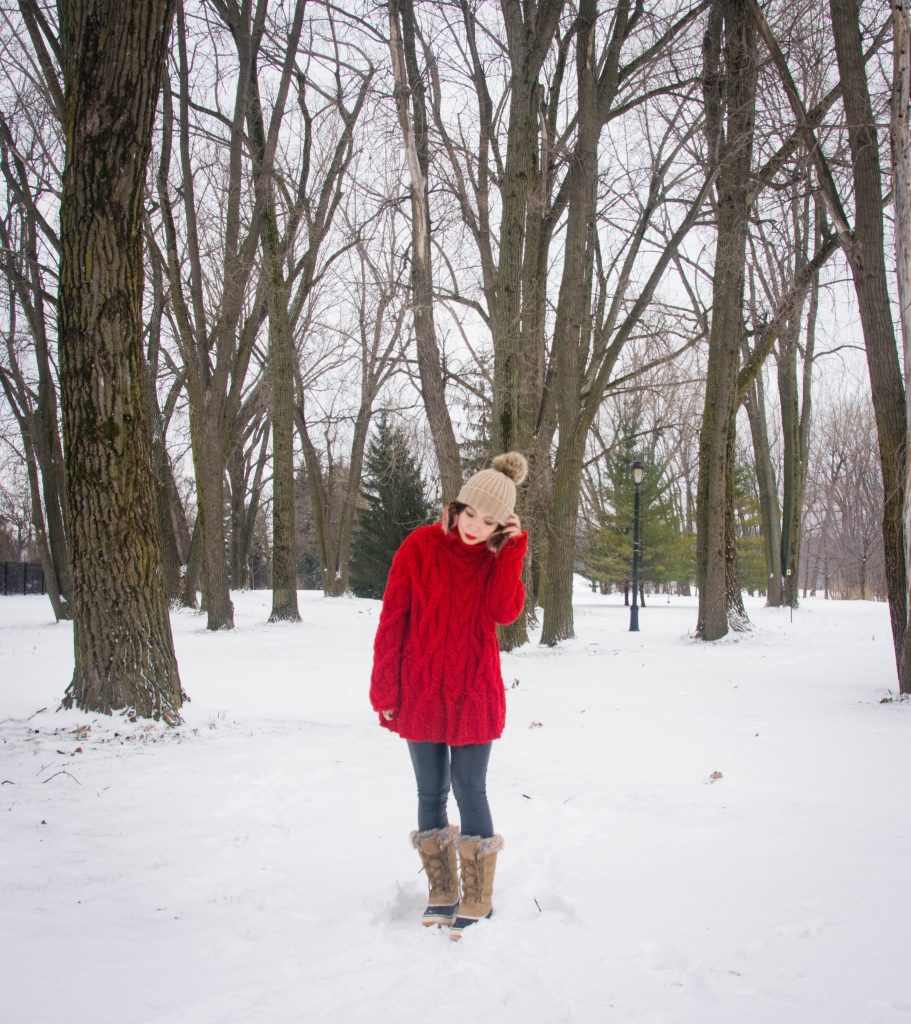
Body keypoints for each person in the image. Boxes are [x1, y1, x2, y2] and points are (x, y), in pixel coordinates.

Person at [369, 452, 528, 939]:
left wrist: (514, 553)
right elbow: (393, 618)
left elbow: (505, 613)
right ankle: (442, 889)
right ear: (456, 506)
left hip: (473, 690)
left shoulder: (495, 558)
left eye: (489, 522)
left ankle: (478, 894)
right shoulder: (418, 546)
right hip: (421, 688)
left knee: (470, 788)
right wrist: (385, 688)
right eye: (470, 514)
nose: (475, 528)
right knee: (430, 790)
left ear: (502, 525)